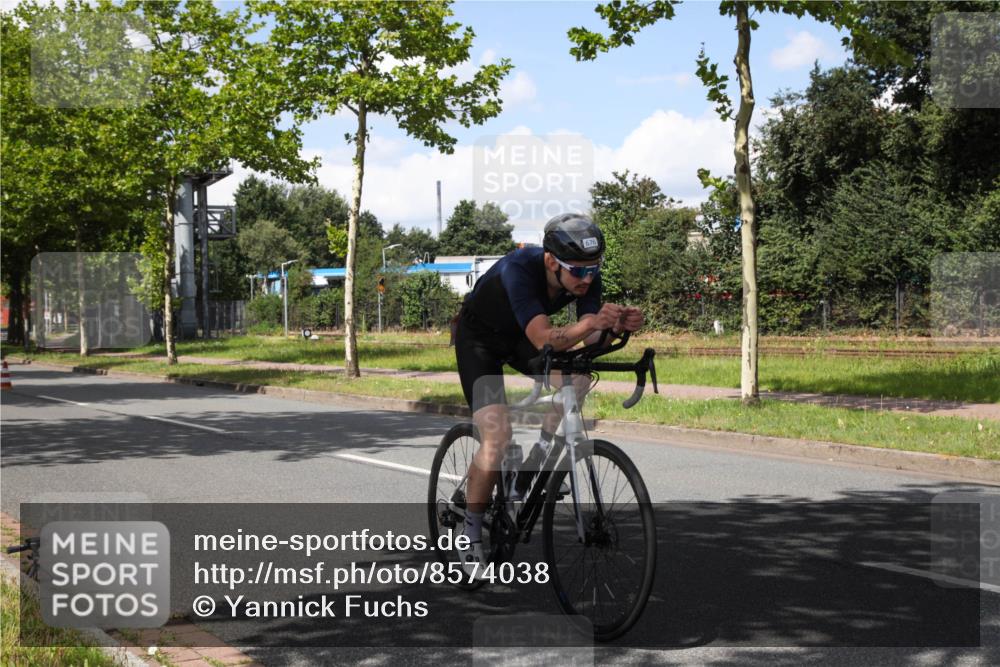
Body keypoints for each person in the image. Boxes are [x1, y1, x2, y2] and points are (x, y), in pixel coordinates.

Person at [452, 212, 644, 574]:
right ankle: (470, 532)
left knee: (578, 380)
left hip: (521, 339)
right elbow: (544, 338)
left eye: (593, 269)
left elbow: (589, 339)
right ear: (550, 261)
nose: (587, 278)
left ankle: (533, 465)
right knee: (497, 437)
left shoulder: (586, 275)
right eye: (578, 271)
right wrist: (591, 321)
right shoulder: (518, 270)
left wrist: (615, 327)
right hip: (480, 342)